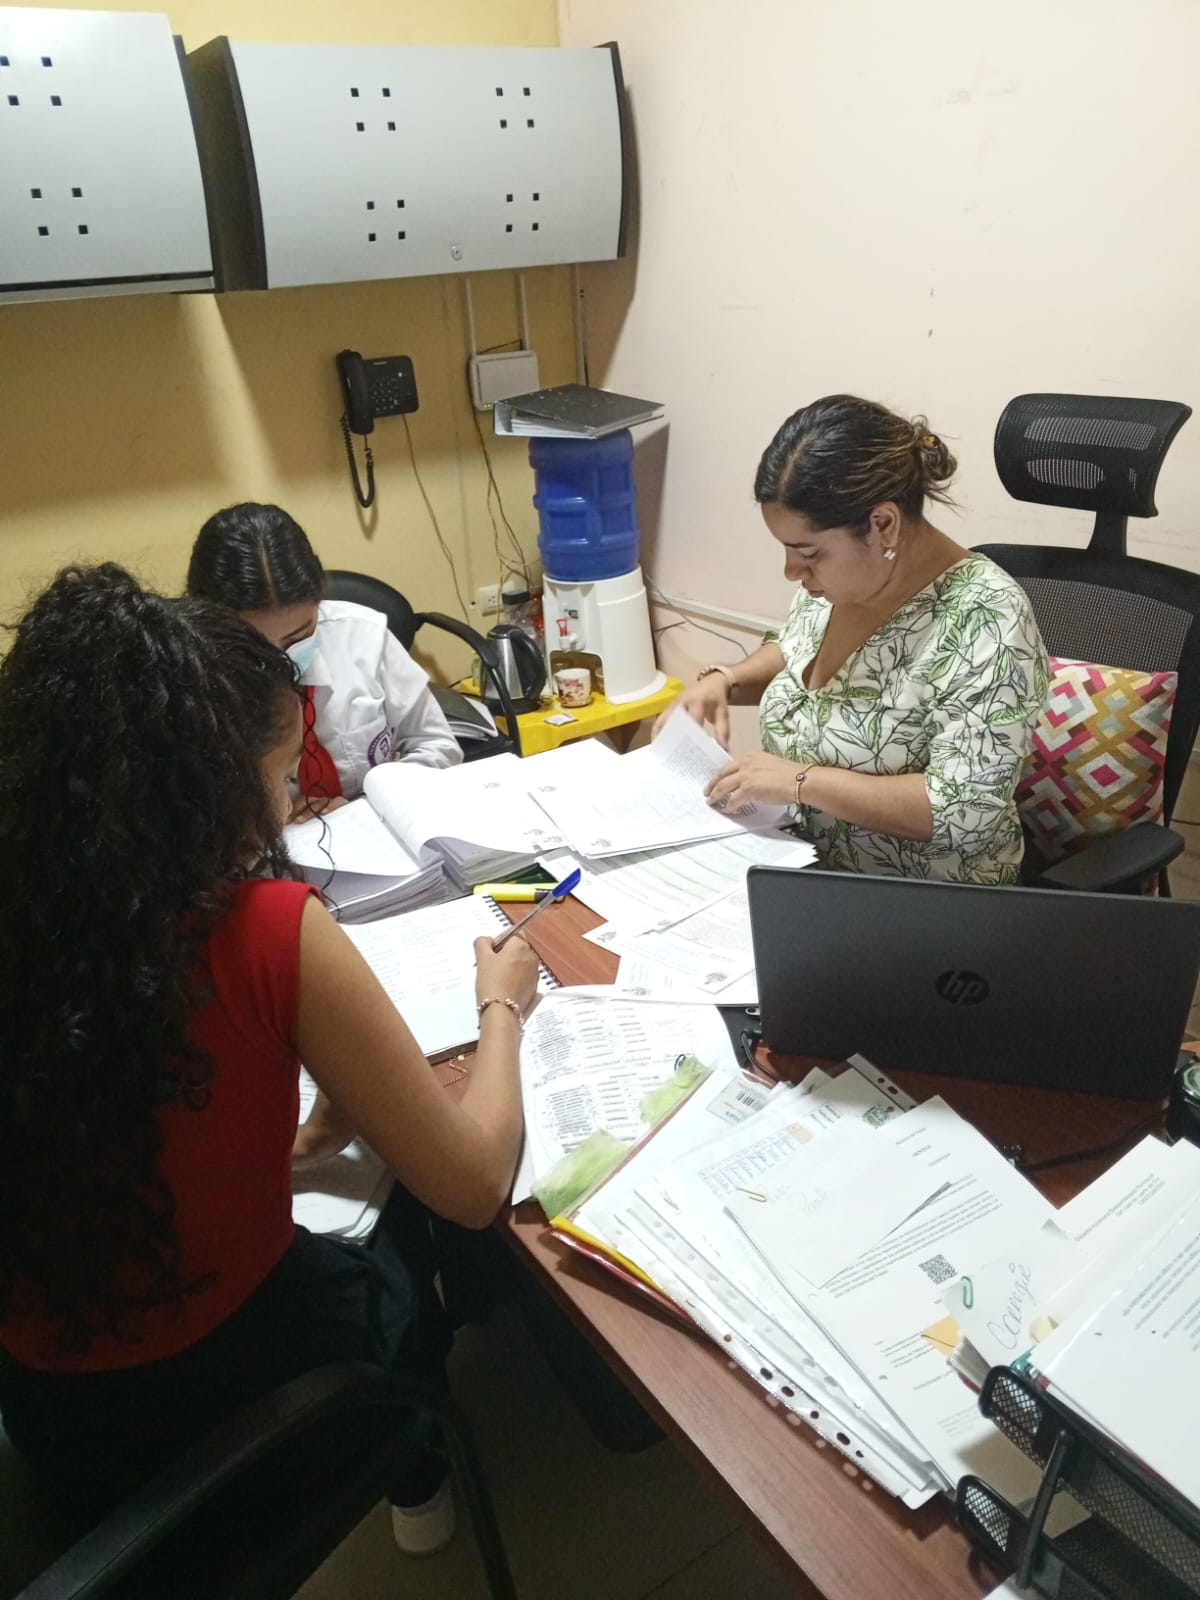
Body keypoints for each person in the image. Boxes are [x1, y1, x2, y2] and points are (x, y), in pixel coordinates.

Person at [0, 565, 537, 1552]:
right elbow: (472, 1185)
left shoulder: (39, 917)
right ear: (203, 789)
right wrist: (500, 1003)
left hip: (56, 1432)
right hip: (246, 1410)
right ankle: (419, 1472)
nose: (290, 806)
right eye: (284, 778)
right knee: (406, 1214)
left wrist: (290, 1149)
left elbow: (121, 1142)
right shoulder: (264, 928)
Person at [661, 395, 1048, 883]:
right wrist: (724, 680)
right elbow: (796, 650)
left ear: (882, 524)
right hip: (802, 862)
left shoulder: (988, 619)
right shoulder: (841, 583)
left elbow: (963, 814)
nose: (791, 571)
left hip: (926, 899)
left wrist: (801, 782)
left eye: (808, 553)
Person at [187, 502, 461, 812]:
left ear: (319, 602)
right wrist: (269, 818)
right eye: (255, 645)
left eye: (300, 636)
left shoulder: (363, 636)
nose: (282, 660)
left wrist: (367, 804)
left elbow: (438, 745)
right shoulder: (190, 678)